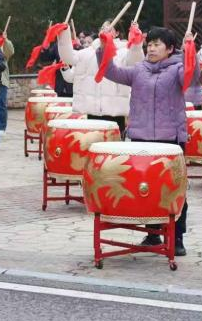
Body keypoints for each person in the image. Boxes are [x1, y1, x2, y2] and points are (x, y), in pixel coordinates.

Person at [100, 27, 194, 256]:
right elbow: (110, 71)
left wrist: (190, 51)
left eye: (157, 44)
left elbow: (191, 77)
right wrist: (104, 45)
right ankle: (153, 234)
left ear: (170, 49)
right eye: (149, 44)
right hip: (141, 139)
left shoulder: (178, 69)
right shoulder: (138, 70)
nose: (151, 48)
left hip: (169, 140)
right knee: (146, 188)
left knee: (173, 190)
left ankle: (177, 237)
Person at [57, 21, 143, 139]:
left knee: (113, 148)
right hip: (93, 110)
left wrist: (136, 42)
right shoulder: (89, 52)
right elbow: (68, 57)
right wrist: (64, 34)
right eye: (102, 28)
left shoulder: (123, 52)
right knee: (92, 145)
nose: (105, 30)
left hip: (115, 112)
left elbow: (135, 61)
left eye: (110, 28)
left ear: (117, 33)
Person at [0, 30, 14, 143]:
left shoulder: (3, 48)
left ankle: (2, 127)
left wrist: (5, 39)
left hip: (2, 80)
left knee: (2, 104)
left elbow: (11, 51)